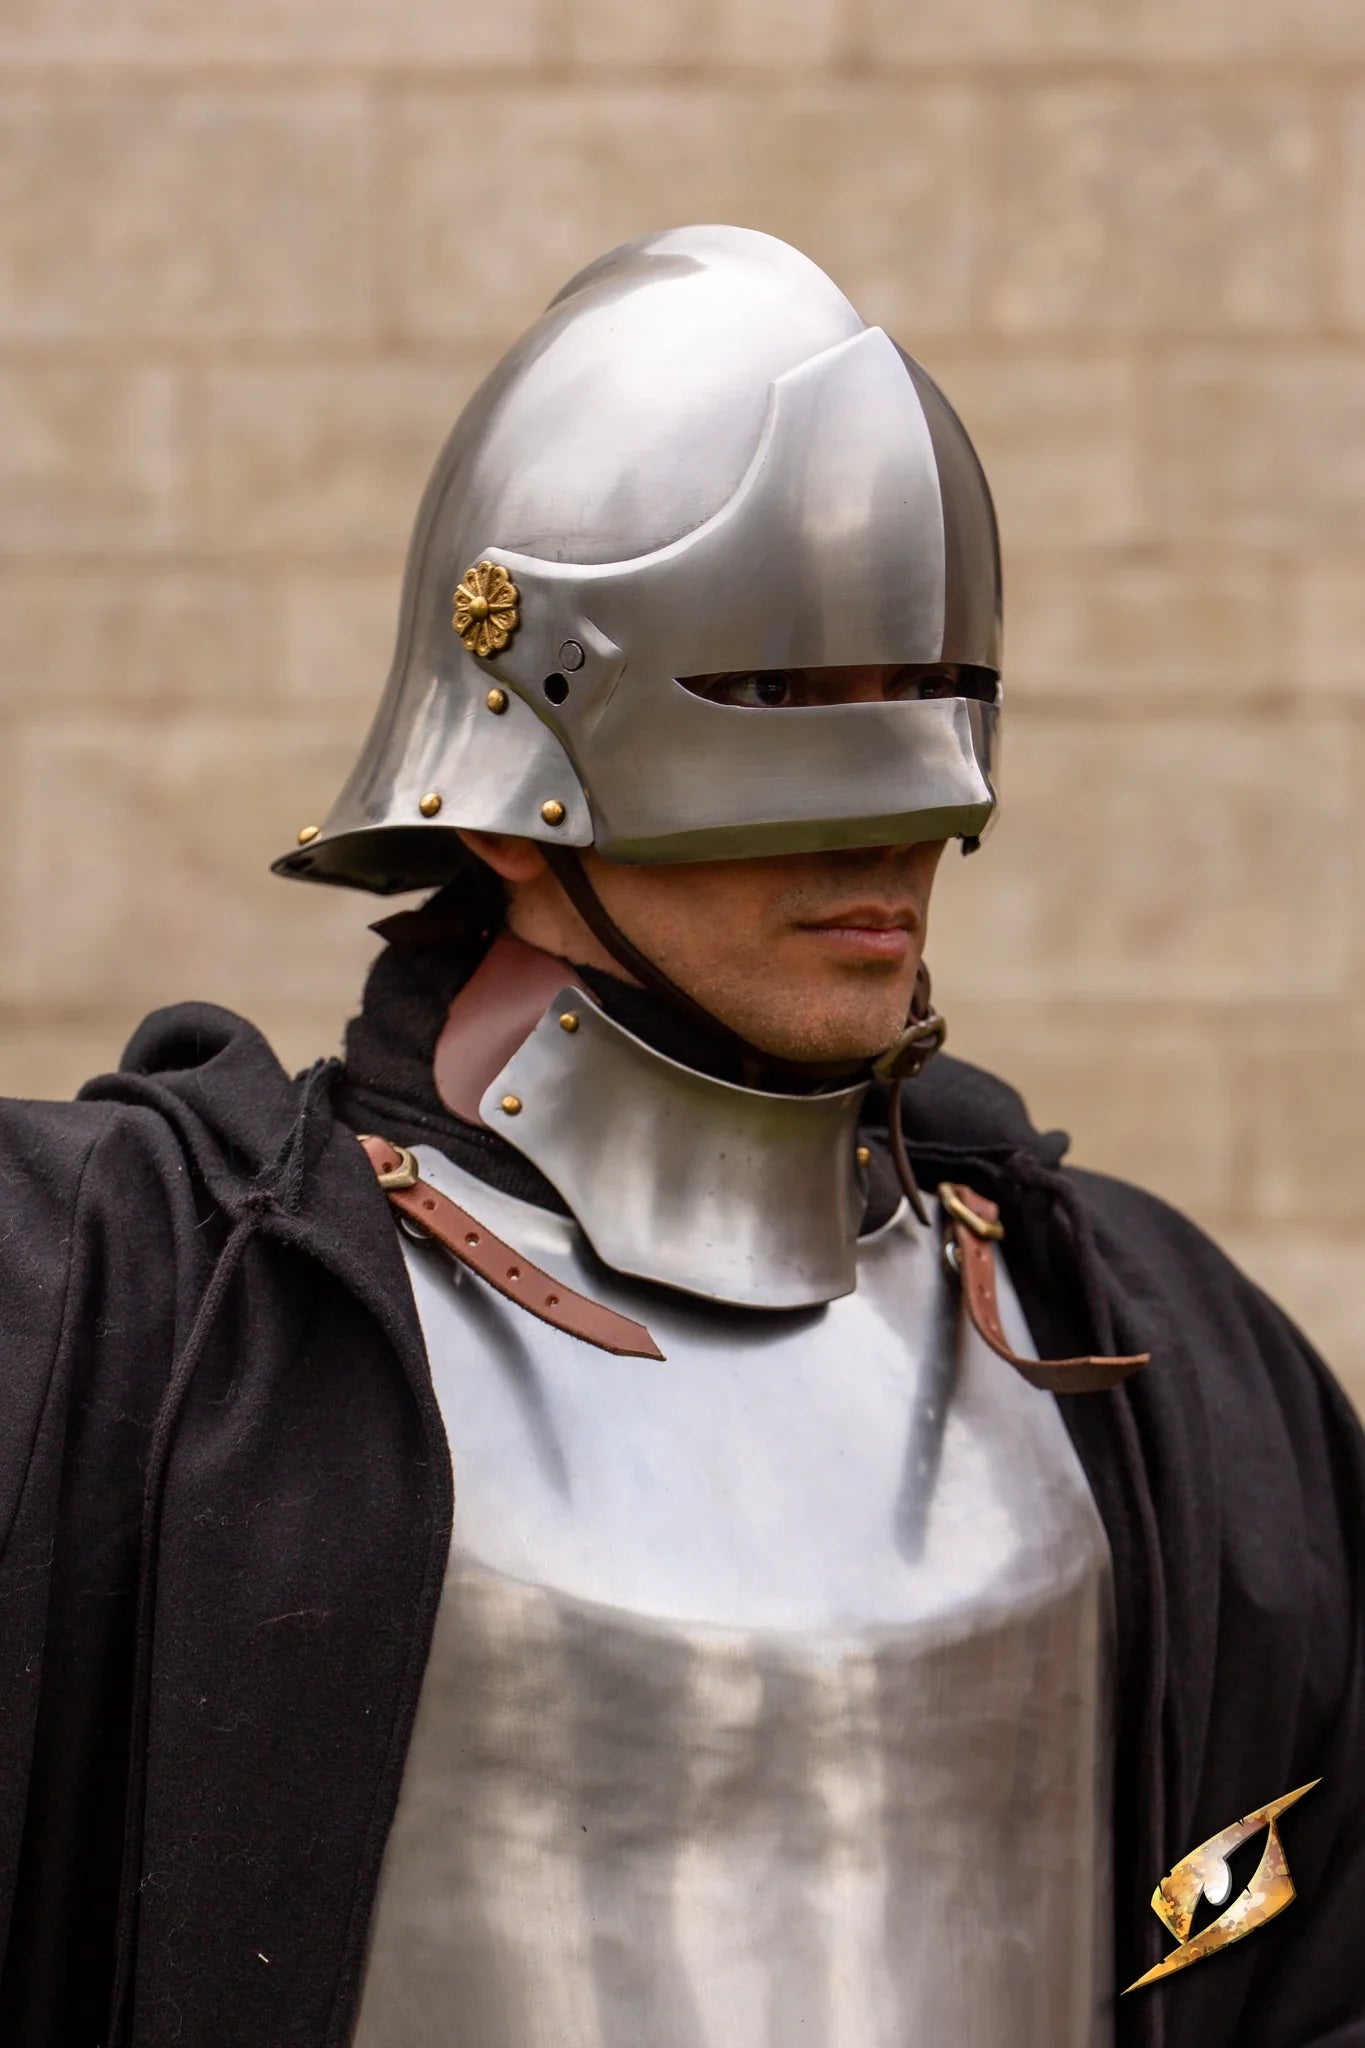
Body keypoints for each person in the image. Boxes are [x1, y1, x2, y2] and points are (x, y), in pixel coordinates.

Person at [0, 226, 1360, 2048]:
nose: (897, 824)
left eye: (925, 701)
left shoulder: (1158, 1369)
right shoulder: (146, 1323)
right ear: (508, 791)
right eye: (782, 711)